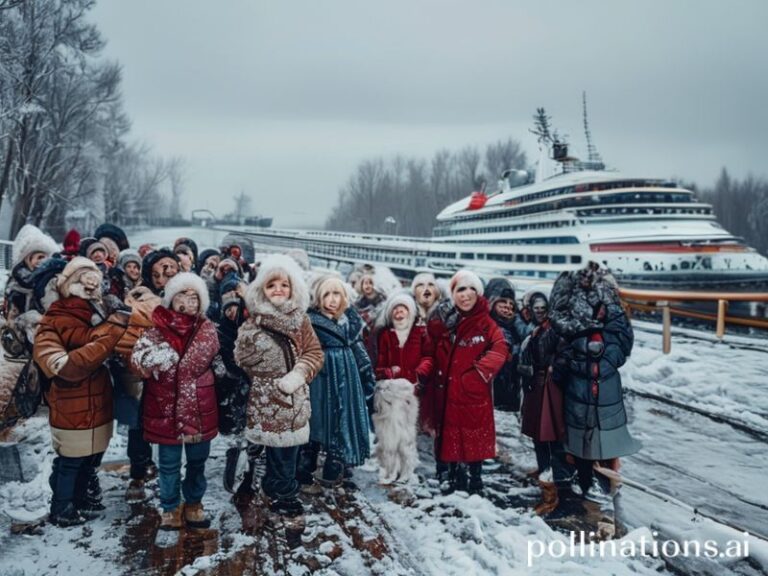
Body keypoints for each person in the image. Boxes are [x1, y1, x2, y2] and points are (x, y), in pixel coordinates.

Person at [33, 257, 129, 526]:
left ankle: (81, 499)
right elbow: (64, 367)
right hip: (71, 404)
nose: (91, 285)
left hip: (98, 402)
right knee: (71, 461)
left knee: (90, 459)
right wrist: (111, 335)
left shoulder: (99, 315)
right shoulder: (52, 321)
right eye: (84, 280)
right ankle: (61, 508)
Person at [234, 255, 324, 517]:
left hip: (294, 396)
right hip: (265, 397)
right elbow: (242, 358)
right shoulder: (254, 321)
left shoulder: (301, 320)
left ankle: (282, 492)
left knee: (289, 451)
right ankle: (276, 489)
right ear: (262, 289)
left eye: (284, 285)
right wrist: (255, 356)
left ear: (293, 288)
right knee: (272, 448)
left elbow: (314, 352)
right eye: (272, 285)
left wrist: (297, 375)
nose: (278, 290)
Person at [131, 273, 220, 532]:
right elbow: (137, 360)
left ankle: (194, 503)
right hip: (164, 408)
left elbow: (213, 360)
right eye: (182, 295)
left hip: (200, 407)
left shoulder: (207, 330)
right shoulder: (156, 330)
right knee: (168, 463)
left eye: (194, 297)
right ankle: (170, 506)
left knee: (197, 461)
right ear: (170, 299)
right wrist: (156, 357)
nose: (188, 302)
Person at [550, 263, 641, 501]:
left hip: (603, 394)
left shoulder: (612, 322)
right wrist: (579, 359)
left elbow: (623, 344)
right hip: (580, 394)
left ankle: (605, 483)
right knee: (580, 439)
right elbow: (561, 351)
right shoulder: (571, 319)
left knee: (605, 440)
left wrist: (604, 360)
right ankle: (585, 481)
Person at [429, 270, 508, 494]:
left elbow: (500, 349)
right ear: (453, 295)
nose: (465, 295)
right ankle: (452, 474)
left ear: (478, 293)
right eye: (459, 290)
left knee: (474, 436)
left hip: (473, 392)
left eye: (470, 289)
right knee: (451, 433)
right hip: (448, 388)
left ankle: (475, 478)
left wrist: (477, 375)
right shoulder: (443, 322)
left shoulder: (485, 322)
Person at [298, 276, 374, 489]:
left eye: (336, 294)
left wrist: (366, 373)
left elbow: (358, 349)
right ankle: (307, 460)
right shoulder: (311, 320)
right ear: (318, 298)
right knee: (317, 417)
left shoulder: (351, 321)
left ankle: (336, 460)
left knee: (341, 416)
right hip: (321, 374)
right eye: (327, 294)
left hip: (346, 375)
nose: (332, 300)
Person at [518, 292, 572, 514]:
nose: (539, 312)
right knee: (539, 436)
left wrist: (554, 369)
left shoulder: (555, 329)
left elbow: (566, 353)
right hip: (537, 386)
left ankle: (559, 492)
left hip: (549, 387)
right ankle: (545, 474)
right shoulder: (536, 330)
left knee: (552, 438)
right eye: (536, 308)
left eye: (543, 308)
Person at [485, 277, 525, 412]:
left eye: (511, 306)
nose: (507, 308)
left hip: (510, 394)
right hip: (489, 392)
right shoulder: (485, 324)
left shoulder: (517, 327)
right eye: (502, 304)